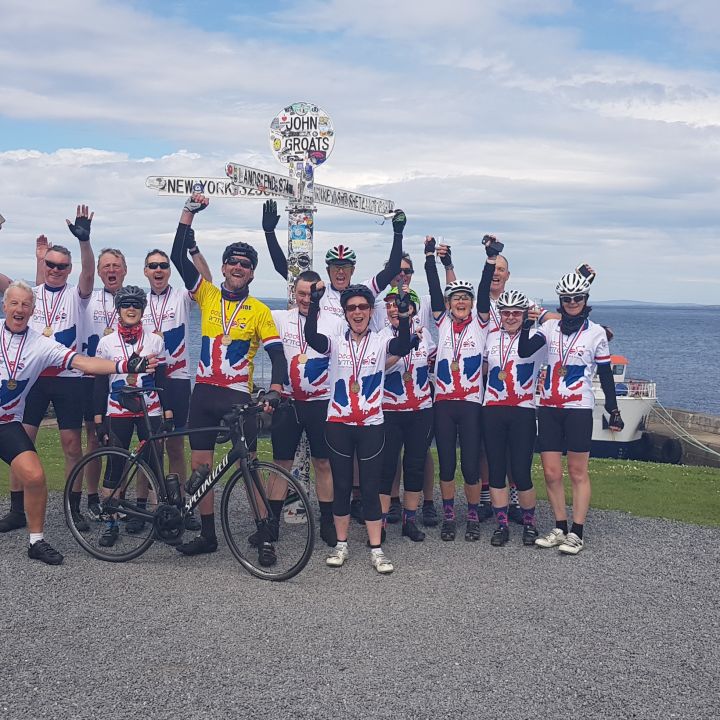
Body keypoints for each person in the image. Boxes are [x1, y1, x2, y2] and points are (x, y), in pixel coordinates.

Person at [262, 200, 407, 523]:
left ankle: (345, 511)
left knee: (335, 460)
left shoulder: (359, 294)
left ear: (353, 270)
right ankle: (278, 521)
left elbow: (389, 270)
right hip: (297, 391)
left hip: (333, 393)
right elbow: (284, 268)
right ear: (328, 270)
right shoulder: (319, 292)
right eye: (335, 266)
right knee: (291, 460)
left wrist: (398, 232)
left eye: (345, 266)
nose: (340, 271)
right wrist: (270, 232)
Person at [0, 281, 157, 564]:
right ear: (4, 305)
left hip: (7, 423)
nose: (19, 309)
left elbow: (84, 363)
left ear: (33, 311)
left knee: (35, 477)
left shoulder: (41, 344)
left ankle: (36, 541)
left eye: (25, 304)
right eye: (14, 303)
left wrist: (125, 366)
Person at [170, 193, 287, 560]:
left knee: (249, 469)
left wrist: (277, 388)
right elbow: (177, 256)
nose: (238, 267)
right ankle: (208, 536)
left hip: (238, 397)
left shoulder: (260, 310)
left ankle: (265, 537)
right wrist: (188, 213)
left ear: (253, 272)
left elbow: (277, 354)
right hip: (203, 394)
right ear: (222, 267)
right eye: (233, 262)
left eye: (246, 264)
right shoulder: (205, 295)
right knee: (201, 469)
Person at [304, 281, 412, 574]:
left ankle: (377, 549)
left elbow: (402, 346)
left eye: (363, 306)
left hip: (371, 424)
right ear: (345, 313)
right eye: (351, 308)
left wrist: (403, 318)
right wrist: (314, 302)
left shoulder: (380, 341)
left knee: (370, 487)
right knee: (341, 486)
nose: (357, 312)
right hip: (338, 422)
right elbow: (311, 336)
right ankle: (341, 544)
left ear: (370, 311)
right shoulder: (337, 341)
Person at [0, 207, 95, 533]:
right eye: (50, 264)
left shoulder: (77, 295)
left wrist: (85, 243)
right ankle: (16, 511)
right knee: (22, 441)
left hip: (69, 378)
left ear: (69, 269)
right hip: (34, 379)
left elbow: (88, 277)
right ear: (44, 265)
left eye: (62, 266)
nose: (56, 269)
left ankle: (73, 509)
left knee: (71, 444)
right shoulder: (30, 295)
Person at [518, 272, 624, 555]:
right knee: (551, 472)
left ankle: (577, 532)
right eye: (567, 299)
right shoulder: (550, 328)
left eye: (577, 298)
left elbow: (605, 373)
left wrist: (614, 410)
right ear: (561, 302)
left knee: (577, 472)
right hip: (549, 407)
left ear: (585, 300)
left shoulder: (596, 333)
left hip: (578, 408)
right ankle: (560, 526)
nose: (572, 302)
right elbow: (525, 349)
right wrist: (528, 324)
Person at [424, 236, 496, 542]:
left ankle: (472, 515)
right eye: (457, 299)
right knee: (448, 464)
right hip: (443, 404)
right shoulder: (441, 323)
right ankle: (450, 516)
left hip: (469, 404)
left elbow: (483, 289)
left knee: (469, 464)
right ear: (450, 304)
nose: (462, 302)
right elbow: (433, 290)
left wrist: (490, 260)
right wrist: (429, 257)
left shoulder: (481, 324)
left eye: (466, 298)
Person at [270, 269, 343, 547]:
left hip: (321, 402)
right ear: (293, 293)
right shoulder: (280, 318)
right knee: (281, 464)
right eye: (301, 294)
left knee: (323, 463)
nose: (306, 299)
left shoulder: (334, 322)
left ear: (320, 294)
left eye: (312, 294)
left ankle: (327, 523)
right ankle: (271, 525)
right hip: (288, 402)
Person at [93, 286, 170, 546]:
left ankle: (156, 518)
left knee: (154, 464)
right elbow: (100, 383)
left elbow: (163, 379)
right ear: (118, 309)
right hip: (117, 411)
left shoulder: (155, 341)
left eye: (136, 305)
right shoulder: (106, 342)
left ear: (143, 309)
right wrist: (98, 418)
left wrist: (168, 412)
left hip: (150, 410)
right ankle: (111, 523)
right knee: (115, 466)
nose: (131, 309)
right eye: (126, 304)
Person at [142, 246, 212, 532]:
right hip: (148, 379)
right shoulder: (138, 301)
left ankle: (182, 505)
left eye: (163, 265)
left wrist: (194, 252)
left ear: (169, 270)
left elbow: (206, 283)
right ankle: (148, 506)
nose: (158, 270)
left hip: (178, 378)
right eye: (153, 266)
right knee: (150, 445)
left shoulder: (183, 296)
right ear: (145, 271)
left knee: (175, 446)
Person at [482, 290, 546, 547]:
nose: (510, 317)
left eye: (515, 313)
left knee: (521, 472)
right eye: (505, 313)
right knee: (496, 471)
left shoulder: (536, 338)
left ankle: (530, 524)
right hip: (493, 409)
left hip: (522, 409)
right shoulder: (491, 338)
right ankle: (501, 524)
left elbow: (558, 324)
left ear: (523, 314)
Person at [380, 286, 435, 542]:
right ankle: (379, 522)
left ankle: (409, 521)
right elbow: (376, 369)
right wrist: (401, 350)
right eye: (389, 304)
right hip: (390, 410)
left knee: (414, 466)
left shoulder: (426, 337)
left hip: (420, 410)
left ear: (411, 309)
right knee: (386, 467)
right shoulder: (379, 337)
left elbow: (435, 363)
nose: (393, 308)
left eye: (398, 304)